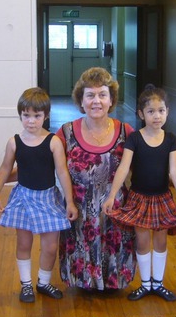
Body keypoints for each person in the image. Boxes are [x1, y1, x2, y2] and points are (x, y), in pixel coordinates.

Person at [102, 85, 176, 301]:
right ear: (141, 114)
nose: (157, 116)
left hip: (162, 198)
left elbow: (175, 171)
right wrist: (111, 195)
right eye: (151, 111)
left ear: (168, 112)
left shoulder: (171, 139)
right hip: (138, 198)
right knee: (142, 241)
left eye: (161, 110)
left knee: (160, 241)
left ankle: (158, 283)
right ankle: (145, 284)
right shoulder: (134, 138)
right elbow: (123, 168)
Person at [0, 87, 78, 303]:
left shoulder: (53, 142)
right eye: (26, 116)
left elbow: (62, 172)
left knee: (50, 246)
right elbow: (4, 169)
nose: (31, 121)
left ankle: (43, 282)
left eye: (37, 116)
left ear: (46, 115)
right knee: (24, 244)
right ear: (20, 115)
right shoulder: (14, 142)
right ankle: (26, 285)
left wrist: (70, 202)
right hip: (23, 198)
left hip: (48, 199)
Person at [56, 67, 137, 291]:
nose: (96, 101)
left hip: (114, 208)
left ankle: (112, 280)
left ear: (111, 100)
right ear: (81, 101)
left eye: (102, 94)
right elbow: (42, 164)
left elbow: (146, 165)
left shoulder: (126, 131)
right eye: (90, 95)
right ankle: (83, 281)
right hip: (79, 209)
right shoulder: (66, 132)